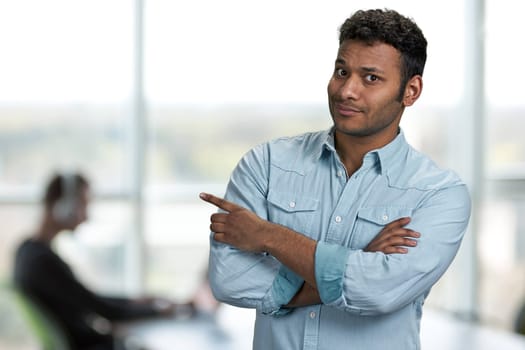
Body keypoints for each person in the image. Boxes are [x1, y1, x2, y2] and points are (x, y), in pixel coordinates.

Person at [199, 8, 471, 350]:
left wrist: (268, 236)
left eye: (371, 78)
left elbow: (376, 292)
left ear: (411, 91)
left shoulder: (439, 194)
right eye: (342, 71)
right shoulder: (266, 164)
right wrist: (359, 258)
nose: (346, 91)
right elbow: (230, 281)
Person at [13, 172, 194, 350]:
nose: (86, 216)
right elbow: (103, 309)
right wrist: (160, 310)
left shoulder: (27, 250)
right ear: (63, 206)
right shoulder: (42, 261)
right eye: (83, 205)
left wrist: (137, 301)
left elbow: (86, 297)